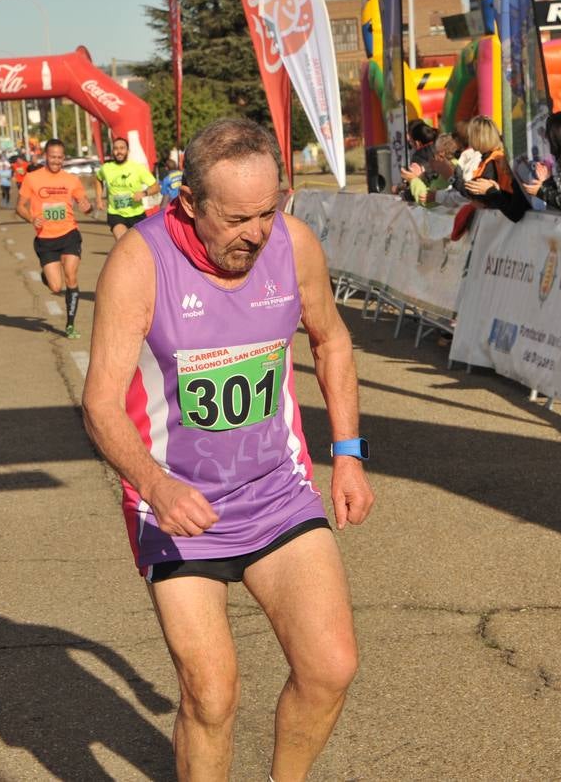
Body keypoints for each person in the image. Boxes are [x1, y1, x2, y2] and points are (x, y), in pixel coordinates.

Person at [82, 117, 374, 780]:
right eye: (238, 218)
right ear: (189, 202)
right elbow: (100, 403)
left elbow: (332, 341)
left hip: (277, 492)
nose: (257, 233)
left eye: (269, 211)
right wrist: (156, 487)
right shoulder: (140, 261)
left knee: (331, 666)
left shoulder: (293, 247)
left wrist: (349, 453)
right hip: (178, 507)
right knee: (211, 697)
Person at [15, 138, 92, 339]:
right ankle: (46, 276)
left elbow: (84, 203)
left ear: (63, 158)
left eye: (59, 157)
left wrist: (87, 207)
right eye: (52, 157)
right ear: (45, 157)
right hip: (46, 239)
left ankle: (70, 324)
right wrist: (32, 218)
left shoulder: (71, 180)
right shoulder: (32, 178)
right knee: (56, 287)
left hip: (69, 235)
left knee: (71, 276)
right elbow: (19, 207)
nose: (56, 161)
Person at [461, 114, 530, 224]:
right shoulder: (491, 157)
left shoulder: (494, 160)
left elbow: (480, 193)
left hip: (505, 221)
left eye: (471, 136)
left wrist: (454, 178)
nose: (469, 140)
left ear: (477, 137)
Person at [96, 137, 159, 239]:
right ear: (113, 151)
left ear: (127, 151)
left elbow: (156, 187)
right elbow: (98, 179)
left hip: (136, 213)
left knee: (139, 244)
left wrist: (144, 193)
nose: (119, 151)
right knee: (122, 240)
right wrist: (98, 198)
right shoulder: (106, 168)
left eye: (122, 148)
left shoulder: (137, 168)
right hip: (116, 214)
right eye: (116, 148)